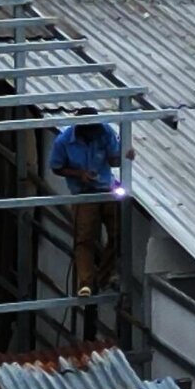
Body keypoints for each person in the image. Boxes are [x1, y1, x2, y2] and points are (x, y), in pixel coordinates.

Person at [48, 119, 121, 296]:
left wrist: (123, 155)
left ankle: (103, 276)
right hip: (83, 193)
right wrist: (79, 174)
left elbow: (114, 160)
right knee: (84, 238)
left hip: (106, 189)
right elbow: (56, 167)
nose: (94, 136)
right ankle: (85, 283)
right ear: (80, 130)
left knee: (118, 233)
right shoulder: (64, 141)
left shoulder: (105, 131)